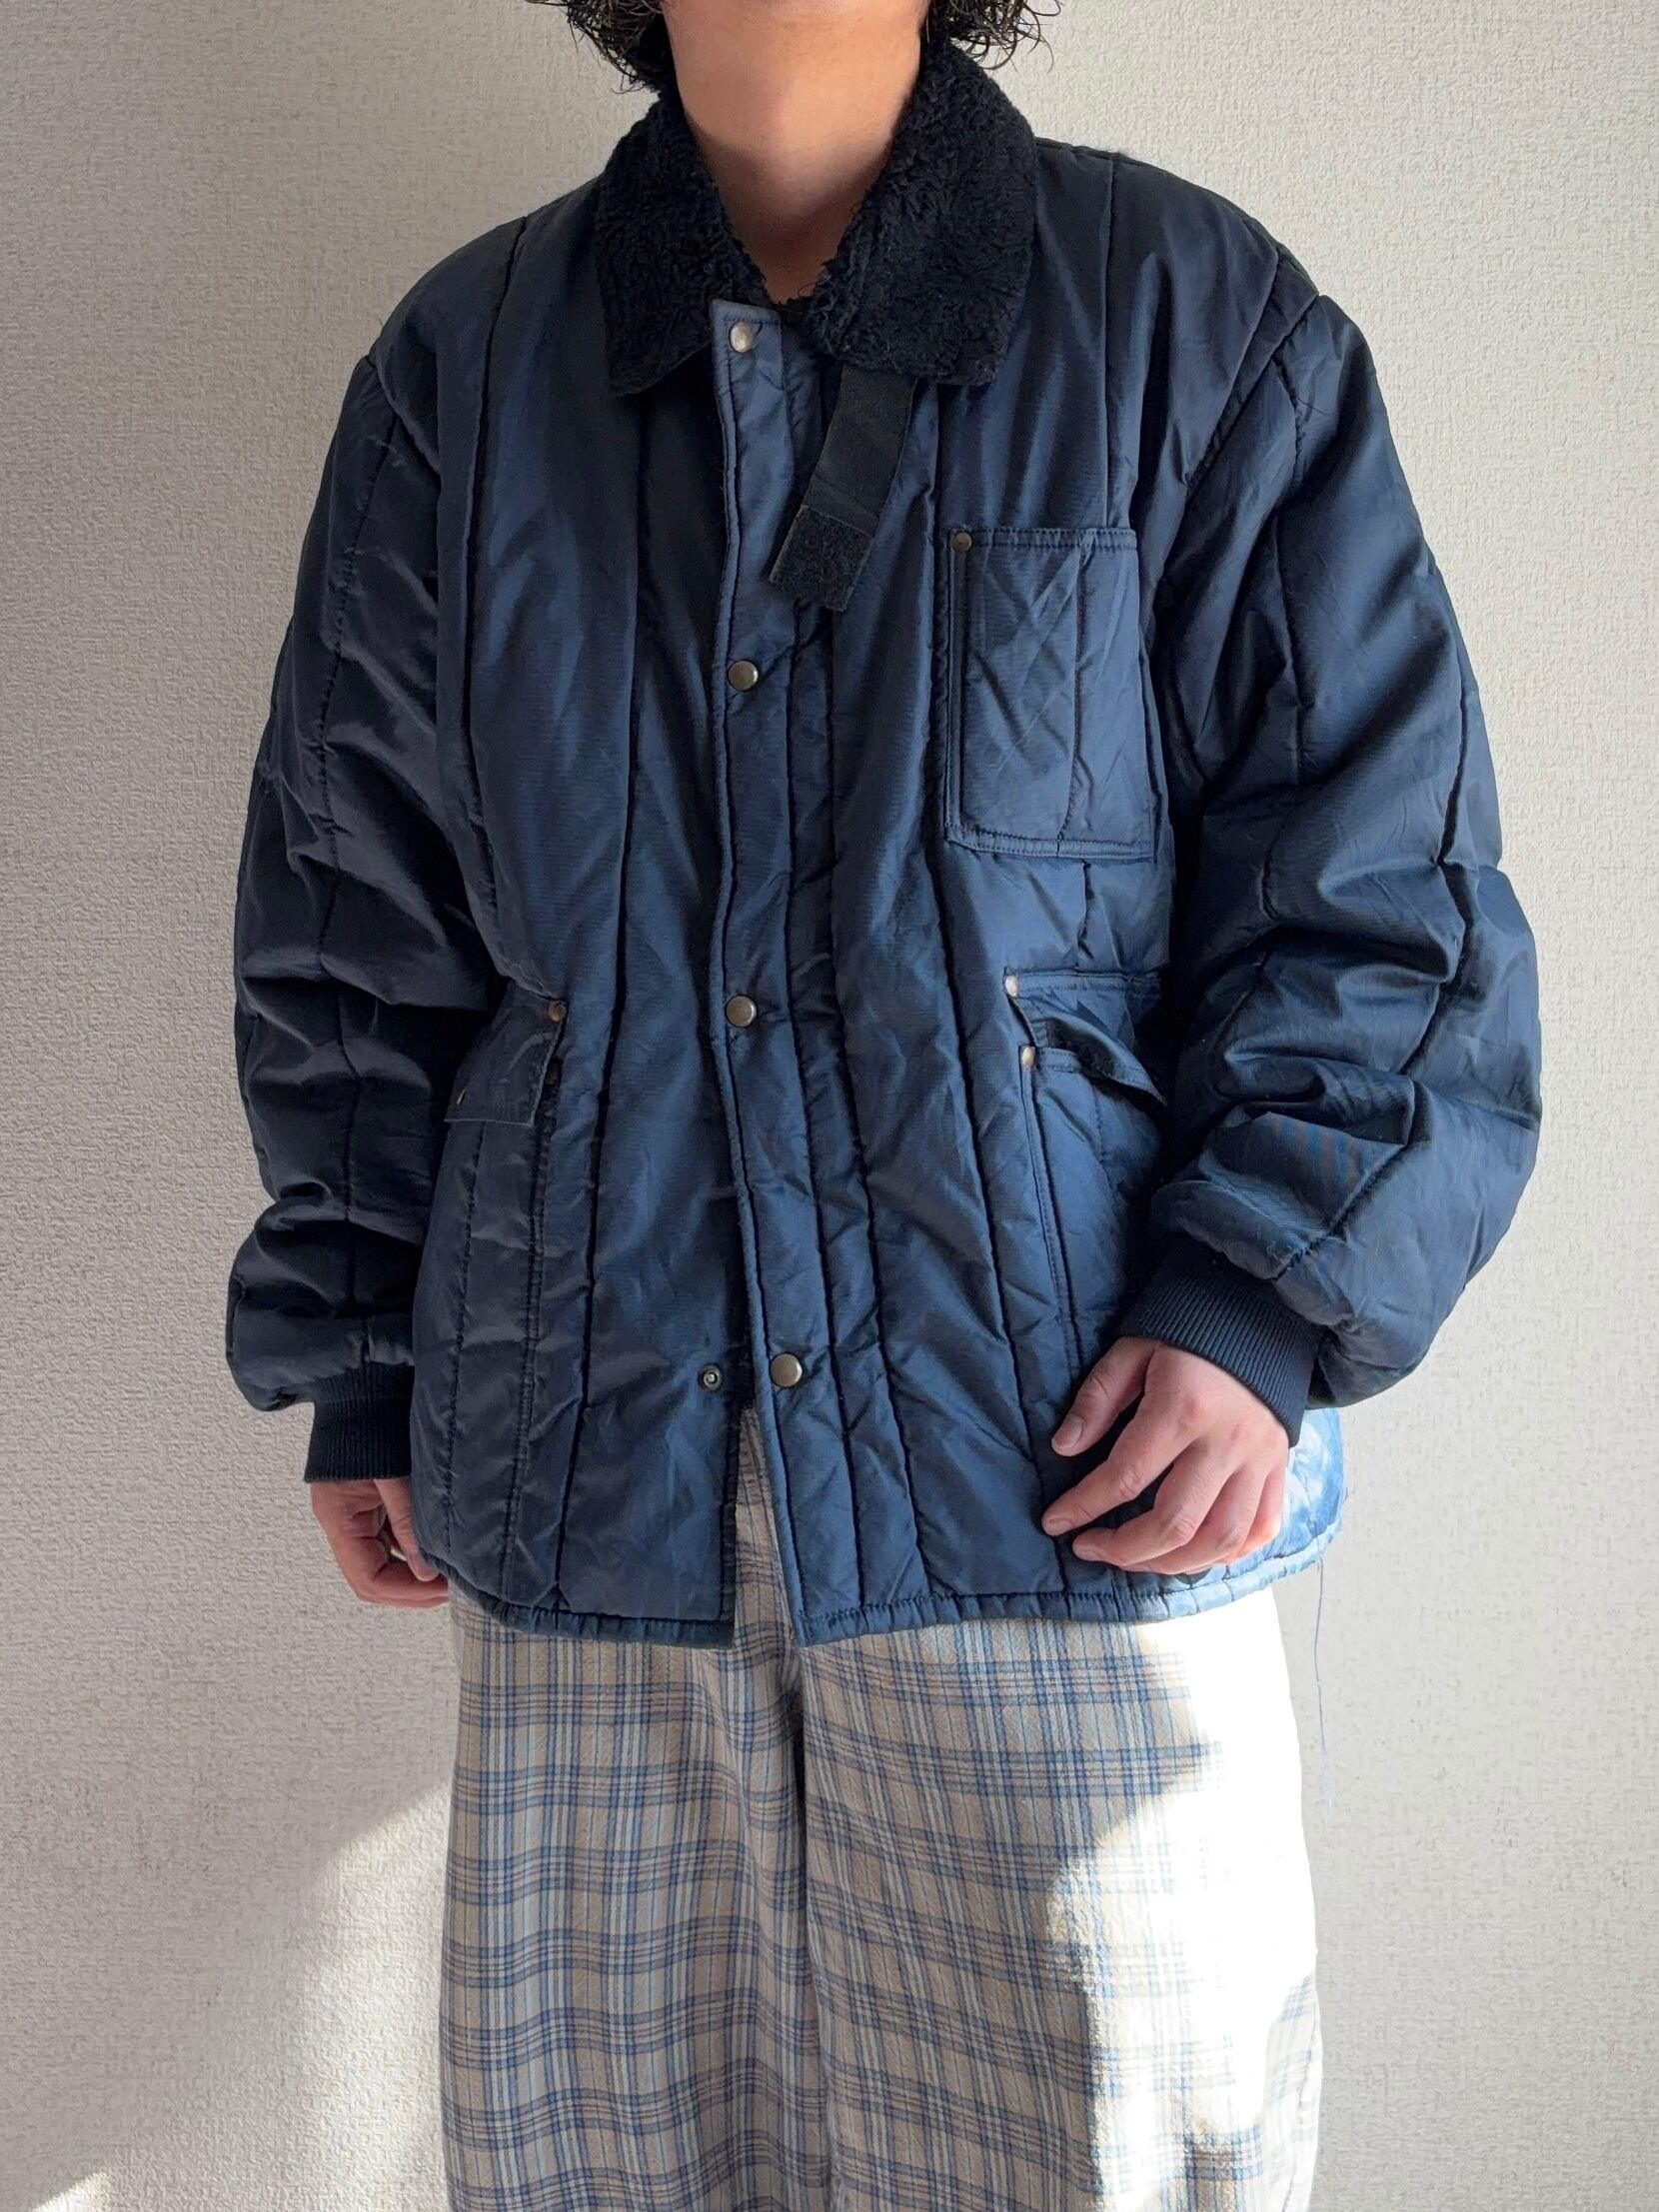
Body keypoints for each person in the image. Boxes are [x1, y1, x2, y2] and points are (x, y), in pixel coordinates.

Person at [224, 2, 1542, 2204]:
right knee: (610, 2169)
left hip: (1056, 1481)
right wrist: (359, 1345)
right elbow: (355, 912)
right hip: (591, 1481)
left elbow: (1376, 870)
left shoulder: (1180, 320)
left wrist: (1258, 1301)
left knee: (1115, 2151)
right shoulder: (469, 368)